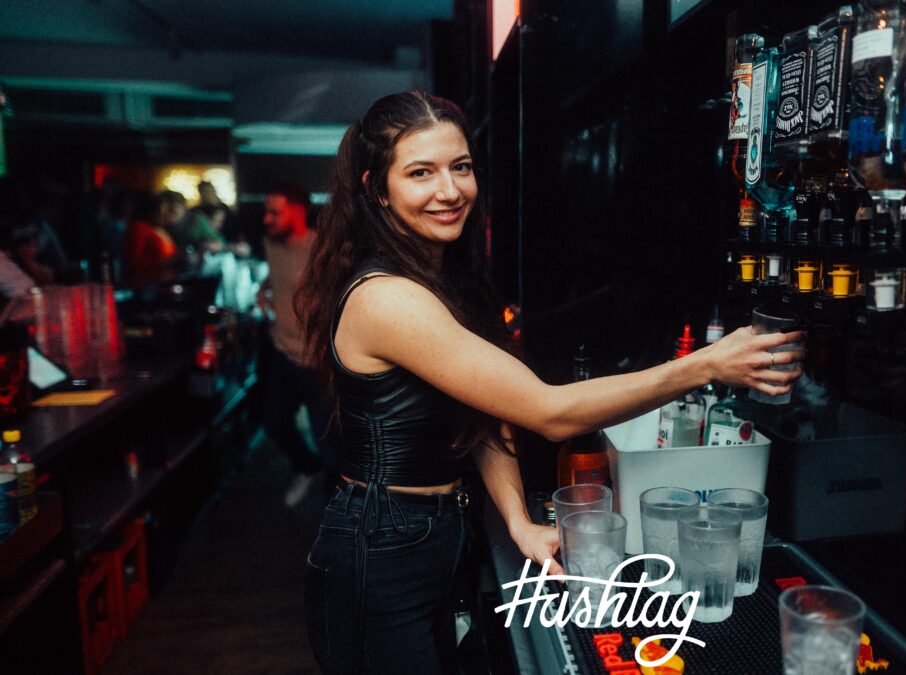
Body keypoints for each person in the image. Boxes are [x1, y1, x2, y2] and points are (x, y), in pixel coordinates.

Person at [294, 90, 804, 674]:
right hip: (380, 551)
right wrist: (703, 366)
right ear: (376, 189)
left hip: (428, 536)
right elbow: (548, 412)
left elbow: (484, 414)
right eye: (420, 173)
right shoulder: (387, 298)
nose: (450, 190)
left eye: (461, 167)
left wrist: (517, 520)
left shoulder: (437, 281)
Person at [258, 184, 338, 507]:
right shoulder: (270, 244)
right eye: (266, 212)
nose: (266, 219)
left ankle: (338, 510)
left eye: (274, 213)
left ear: (298, 211)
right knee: (274, 422)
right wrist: (263, 289)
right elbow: (278, 276)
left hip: (317, 361)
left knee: (330, 443)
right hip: (282, 353)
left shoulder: (322, 250)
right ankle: (307, 467)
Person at [124, 191, 183, 287]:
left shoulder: (161, 229)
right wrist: (165, 262)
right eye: (162, 208)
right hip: (147, 284)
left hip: (165, 281)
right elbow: (134, 261)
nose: (165, 213)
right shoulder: (140, 228)